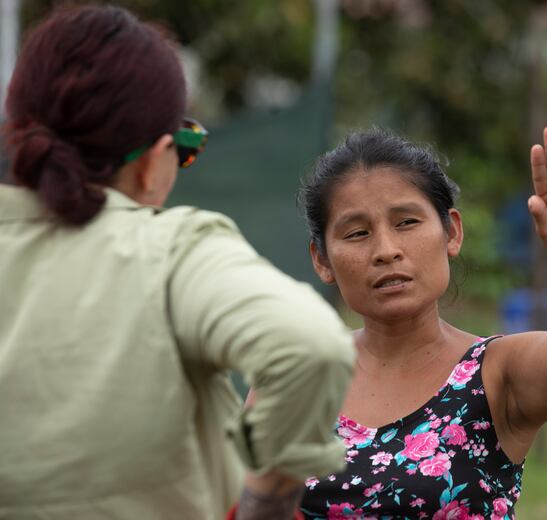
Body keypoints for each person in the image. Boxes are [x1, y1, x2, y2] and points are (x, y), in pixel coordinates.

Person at [0, 6, 354, 520]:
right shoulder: (171, 250)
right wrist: (265, 502)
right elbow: (312, 347)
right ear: (156, 156)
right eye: (187, 147)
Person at [293, 128, 547, 518]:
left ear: (451, 232)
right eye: (356, 233)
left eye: (406, 223)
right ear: (321, 259)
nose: (386, 250)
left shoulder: (493, 373)